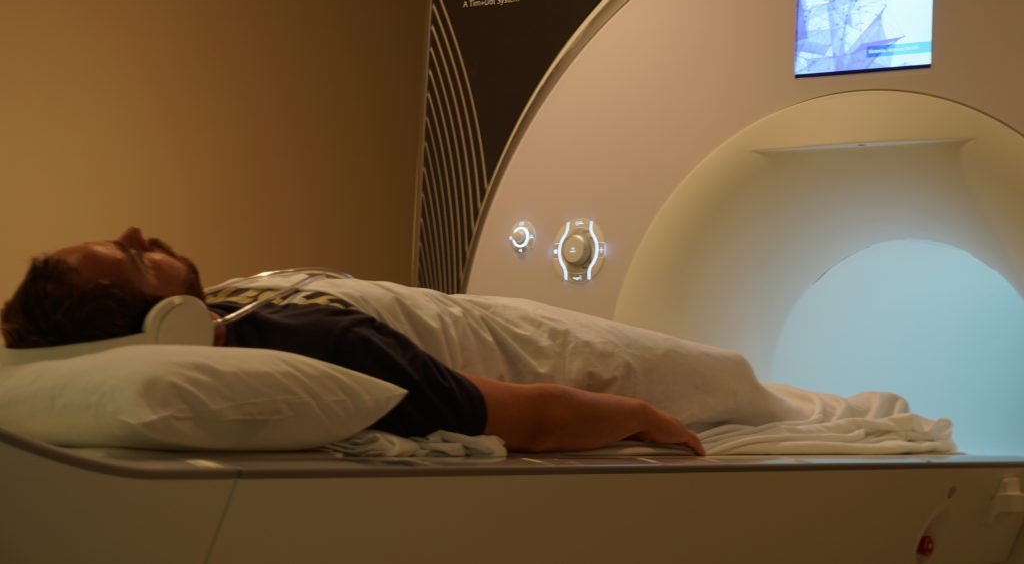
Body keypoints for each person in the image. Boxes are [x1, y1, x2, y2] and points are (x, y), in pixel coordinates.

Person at [1, 227, 705, 455]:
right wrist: (642, 413)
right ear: (169, 323)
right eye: (132, 261)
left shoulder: (243, 315)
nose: (133, 231)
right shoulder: (321, 345)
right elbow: (534, 414)